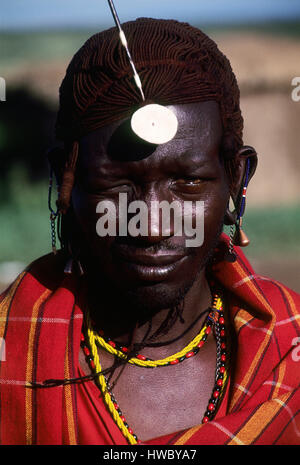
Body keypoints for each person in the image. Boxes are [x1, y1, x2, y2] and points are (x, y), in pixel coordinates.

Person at [0, 18, 300, 446]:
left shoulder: (289, 348)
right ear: (65, 182)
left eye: (189, 183)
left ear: (236, 177)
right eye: (114, 185)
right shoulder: (10, 352)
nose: (152, 224)